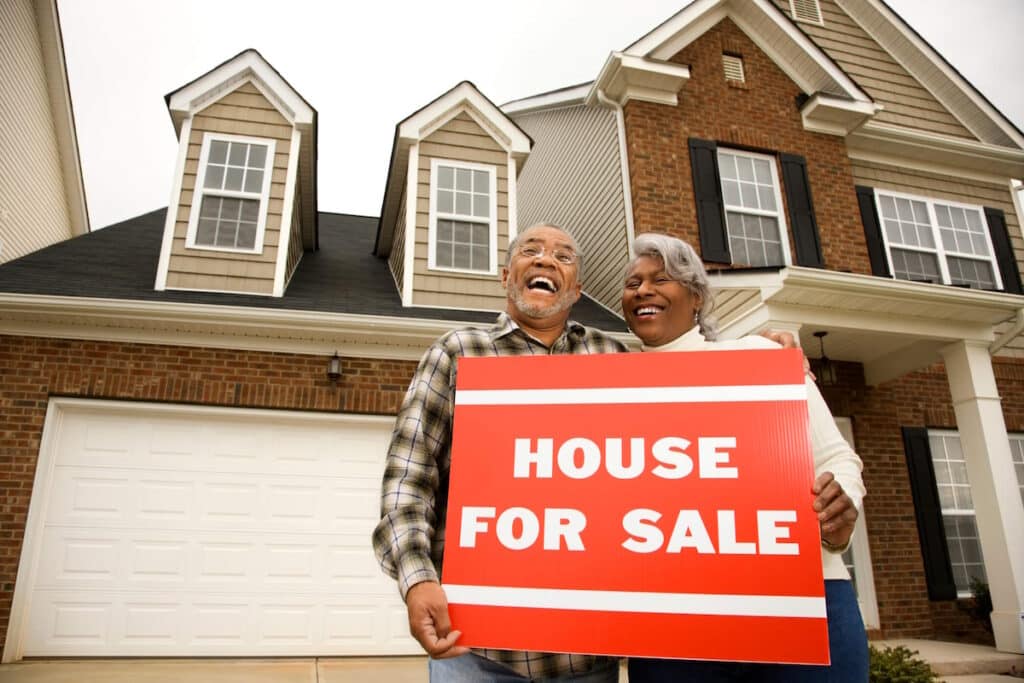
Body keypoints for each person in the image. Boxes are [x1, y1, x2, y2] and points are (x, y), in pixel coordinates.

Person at [372, 223, 803, 682]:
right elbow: (409, 480)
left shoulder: (613, 358)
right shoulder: (457, 353)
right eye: (530, 251)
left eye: (563, 256)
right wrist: (417, 579)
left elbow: (690, 429)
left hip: (586, 660)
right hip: (477, 652)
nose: (545, 259)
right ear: (506, 276)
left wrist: (757, 355)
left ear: (577, 289)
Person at [620, 232, 868, 683]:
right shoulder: (611, 385)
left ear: (696, 297)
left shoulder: (761, 357)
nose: (643, 290)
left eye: (661, 279)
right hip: (672, 616)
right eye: (633, 283)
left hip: (802, 599)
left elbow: (837, 457)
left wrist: (839, 508)